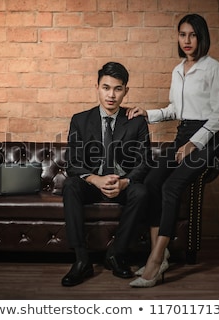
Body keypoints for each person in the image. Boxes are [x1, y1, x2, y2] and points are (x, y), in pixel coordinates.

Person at [126, 13, 219, 288]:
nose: (186, 40)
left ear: (201, 37)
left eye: (192, 35)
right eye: (182, 34)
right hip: (182, 134)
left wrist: (194, 143)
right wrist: (147, 113)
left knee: (171, 187)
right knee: (151, 182)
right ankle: (159, 255)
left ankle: (155, 259)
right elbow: (176, 110)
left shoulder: (213, 68)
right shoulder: (177, 70)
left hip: (205, 140)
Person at [61, 62, 153, 287]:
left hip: (122, 184)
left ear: (126, 91)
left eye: (118, 89)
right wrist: (95, 179)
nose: (111, 95)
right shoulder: (80, 120)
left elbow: (144, 161)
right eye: (106, 87)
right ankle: (82, 260)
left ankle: (116, 253)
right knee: (70, 185)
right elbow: (72, 163)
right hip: (93, 184)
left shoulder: (137, 122)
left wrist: (124, 182)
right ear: (97, 87)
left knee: (141, 192)